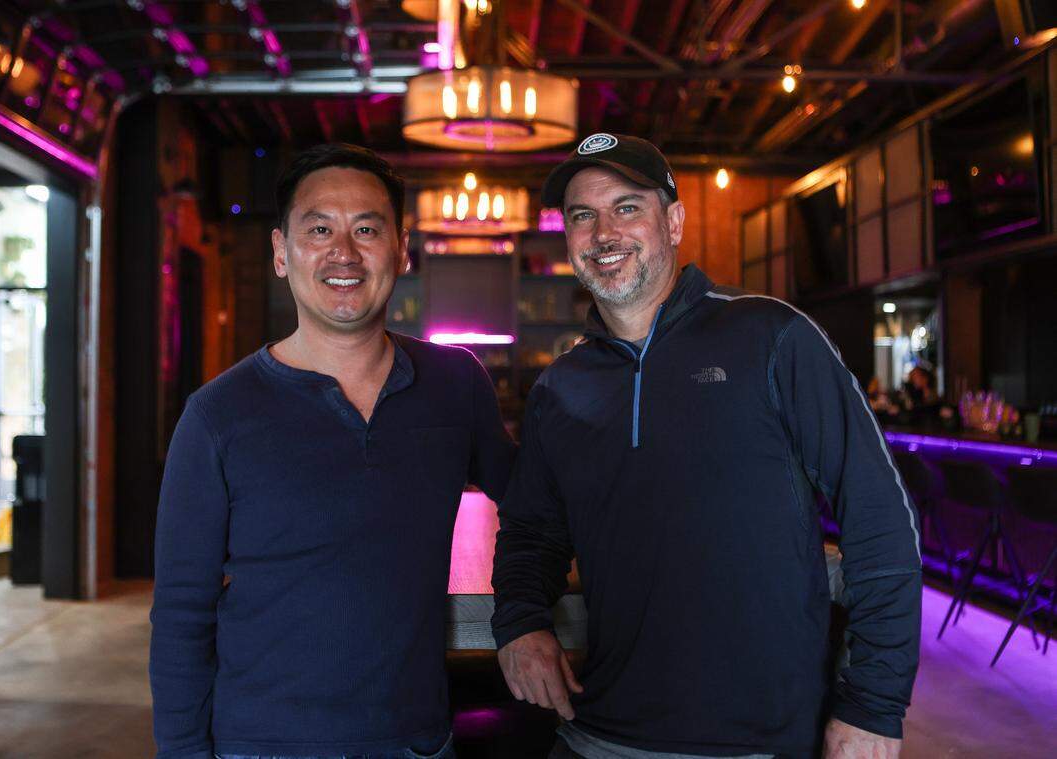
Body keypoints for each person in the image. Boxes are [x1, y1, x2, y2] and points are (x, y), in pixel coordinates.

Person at [491, 133, 921, 759]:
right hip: (599, 729)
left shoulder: (771, 336)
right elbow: (532, 531)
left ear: (674, 221)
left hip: (760, 738)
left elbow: (878, 516)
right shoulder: (561, 386)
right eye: (582, 215)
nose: (603, 232)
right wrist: (521, 622)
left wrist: (875, 706)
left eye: (627, 207)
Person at [149, 143, 515, 759]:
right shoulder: (217, 415)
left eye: (366, 229)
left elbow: (538, 505)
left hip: (418, 742)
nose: (343, 252)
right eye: (319, 229)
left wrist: (527, 615)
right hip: (262, 744)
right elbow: (183, 615)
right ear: (280, 253)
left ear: (401, 249)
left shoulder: (456, 385)